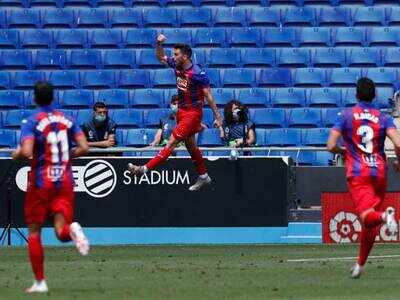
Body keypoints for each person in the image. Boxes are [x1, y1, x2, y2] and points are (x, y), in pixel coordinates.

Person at [12, 82, 90, 293]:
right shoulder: (67, 119)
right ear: (53, 97)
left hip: (41, 183)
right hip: (64, 180)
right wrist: (67, 156)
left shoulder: (32, 121)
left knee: (35, 230)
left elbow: (27, 151)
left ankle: (40, 282)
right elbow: (84, 147)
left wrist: (16, 153)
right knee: (60, 231)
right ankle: (73, 229)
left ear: (35, 98)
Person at [128, 35, 223, 191]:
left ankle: (143, 169)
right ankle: (204, 176)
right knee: (191, 145)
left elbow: (209, 96)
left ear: (185, 56)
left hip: (192, 114)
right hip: (182, 111)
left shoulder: (198, 73)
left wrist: (218, 118)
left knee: (171, 142)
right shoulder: (177, 65)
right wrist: (158, 44)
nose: (173, 56)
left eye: (176, 54)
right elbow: (161, 57)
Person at [327, 77, 400, 279]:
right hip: (379, 172)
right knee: (370, 221)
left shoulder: (346, 115)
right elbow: (399, 143)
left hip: (359, 174)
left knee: (367, 216)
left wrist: (345, 151)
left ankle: (387, 216)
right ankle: (360, 264)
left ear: (356, 94)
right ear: (375, 95)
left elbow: (330, 145)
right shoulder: (384, 118)